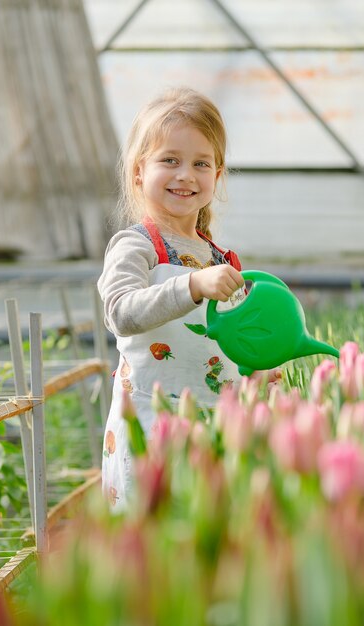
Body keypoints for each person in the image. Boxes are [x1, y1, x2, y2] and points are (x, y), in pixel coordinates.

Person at [98, 86, 246, 511]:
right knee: (154, 536)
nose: (186, 174)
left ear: (217, 175)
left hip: (213, 422)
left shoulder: (219, 256)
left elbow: (223, 338)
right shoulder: (136, 246)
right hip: (150, 422)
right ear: (139, 172)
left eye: (201, 163)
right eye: (170, 160)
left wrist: (254, 367)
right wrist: (193, 286)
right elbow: (120, 312)